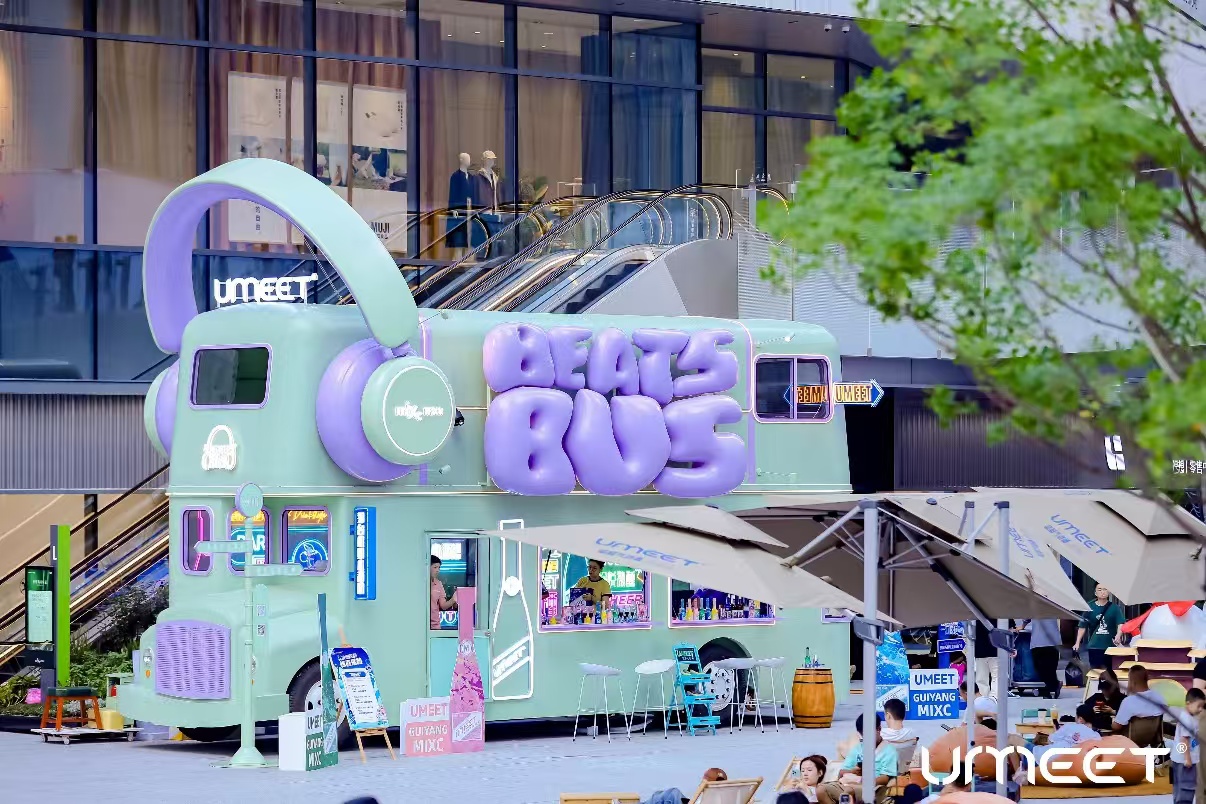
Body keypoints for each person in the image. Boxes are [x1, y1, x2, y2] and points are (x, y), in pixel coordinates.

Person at [818, 713, 898, 804]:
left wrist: (864, 781)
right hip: (850, 783)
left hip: (875, 788)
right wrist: (852, 771)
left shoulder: (889, 750)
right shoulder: (858, 748)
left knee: (848, 792)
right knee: (821, 790)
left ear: (879, 729)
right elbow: (841, 773)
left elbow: (886, 778)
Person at [1074, 584, 1124, 669]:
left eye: (1105, 589)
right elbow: (1082, 626)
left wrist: (1119, 635)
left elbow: (1120, 623)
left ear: (1109, 592)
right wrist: (1077, 642)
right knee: (1096, 671)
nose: (1102, 592)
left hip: (1110, 646)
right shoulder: (1089, 607)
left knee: (1110, 671)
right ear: (1095, 593)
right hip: (1094, 645)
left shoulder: (1115, 608)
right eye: (1099, 589)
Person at [1033, 704, 1100, 762]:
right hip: (1072, 765)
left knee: (1027, 745)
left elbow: (1050, 740)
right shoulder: (1097, 737)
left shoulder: (1070, 727)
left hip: (1043, 758)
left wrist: (1057, 732)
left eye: (1076, 716)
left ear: (1080, 719)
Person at [1172, 688, 1205, 804]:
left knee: (1179, 787)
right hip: (1185, 761)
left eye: (1202, 707)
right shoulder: (1187, 719)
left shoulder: (1187, 716)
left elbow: (1191, 740)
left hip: (1179, 759)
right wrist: (1187, 758)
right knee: (1187, 787)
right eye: (1198, 706)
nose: (1200, 709)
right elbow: (1184, 740)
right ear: (1188, 703)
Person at [1112, 664, 1165, 732]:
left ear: (1132, 681)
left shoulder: (1128, 701)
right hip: (1154, 737)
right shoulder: (1159, 697)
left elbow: (1116, 727)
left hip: (1131, 738)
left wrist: (1112, 721)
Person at [643, 768, 728, 804]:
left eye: (704, 778)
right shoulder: (727, 795)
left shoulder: (712, 796)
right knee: (661, 794)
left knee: (672, 793)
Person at [1028, 618, 1063, 699]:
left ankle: (1048, 690)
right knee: (1049, 668)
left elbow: (1026, 617)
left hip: (1039, 641)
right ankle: (1053, 686)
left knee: (1041, 668)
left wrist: (1023, 625)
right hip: (1052, 641)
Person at [429, 555, 457, 629]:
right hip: (420, 625)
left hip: (434, 626)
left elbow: (443, 606)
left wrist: (453, 599)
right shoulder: (419, 584)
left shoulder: (439, 584)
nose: (437, 570)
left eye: (439, 567)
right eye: (435, 567)